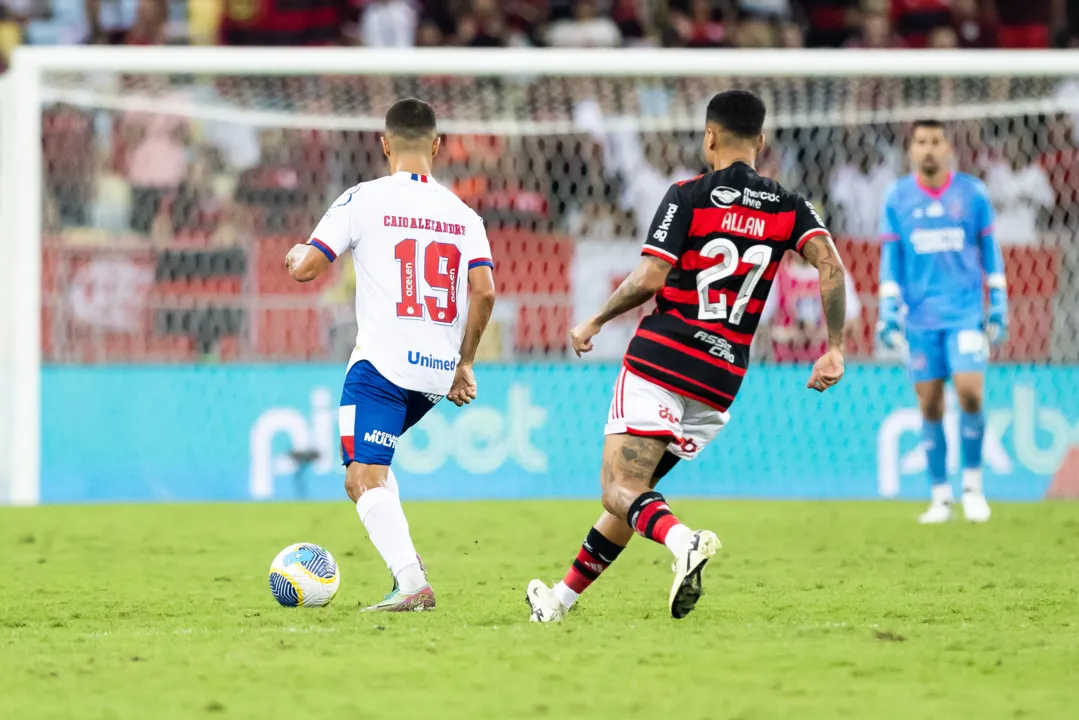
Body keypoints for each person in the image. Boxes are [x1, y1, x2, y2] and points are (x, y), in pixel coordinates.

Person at [525, 90, 849, 623]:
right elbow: (830, 265)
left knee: (618, 489)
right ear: (761, 142)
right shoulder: (790, 206)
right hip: (722, 378)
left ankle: (685, 542)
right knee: (638, 493)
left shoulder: (690, 194)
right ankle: (559, 601)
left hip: (664, 358)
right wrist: (834, 348)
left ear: (710, 136)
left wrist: (597, 320)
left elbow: (650, 276)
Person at [285, 98, 497, 611]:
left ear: (383, 144)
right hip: (432, 377)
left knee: (361, 477)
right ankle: (409, 568)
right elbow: (485, 291)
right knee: (372, 465)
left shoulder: (362, 198)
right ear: (438, 146)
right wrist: (463, 363)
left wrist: (295, 255)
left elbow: (307, 269)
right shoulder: (464, 214)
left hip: (380, 366)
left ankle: (410, 585)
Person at [876, 119, 1007, 524]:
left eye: (935, 141)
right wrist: (887, 310)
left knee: (969, 392)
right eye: (920, 142)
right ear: (911, 149)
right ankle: (939, 496)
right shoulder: (897, 198)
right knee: (930, 403)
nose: (928, 149)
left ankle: (972, 487)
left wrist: (998, 303)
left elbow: (990, 252)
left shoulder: (973, 194)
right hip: (919, 319)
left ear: (948, 147)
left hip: (966, 313)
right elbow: (891, 261)